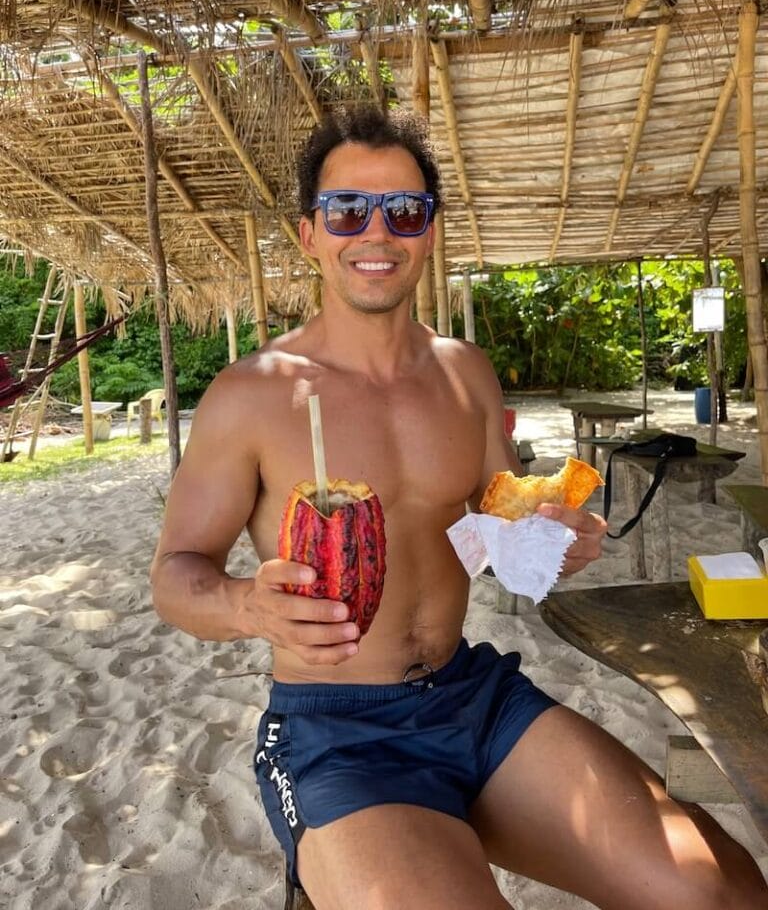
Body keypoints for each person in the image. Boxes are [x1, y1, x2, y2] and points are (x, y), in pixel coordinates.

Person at [150, 106, 767, 910]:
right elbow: (173, 574)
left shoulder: (463, 371)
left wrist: (550, 525)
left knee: (722, 893)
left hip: (472, 696)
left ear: (429, 231)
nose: (377, 232)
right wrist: (243, 604)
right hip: (335, 732)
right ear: (310, 234)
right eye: (347, 210)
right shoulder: (251, 395)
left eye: (404, 209)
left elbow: (498, 504)